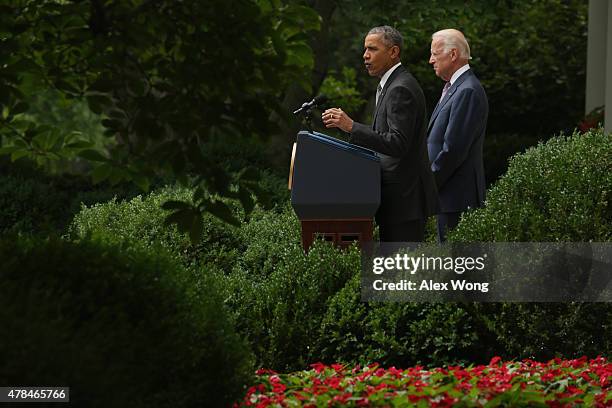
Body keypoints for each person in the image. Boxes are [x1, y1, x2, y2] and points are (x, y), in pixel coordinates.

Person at [322, 26, 438, 242]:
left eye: (372, 49)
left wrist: (351, 127)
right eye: (365, 49)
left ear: (393, 52)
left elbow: (397, 143)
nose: (365, 55)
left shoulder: (400, 88)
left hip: (404, 200)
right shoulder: (390, 85)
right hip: (397, 200)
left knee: (401, 271)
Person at [427, 29, 488, 242]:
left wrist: (428, 183)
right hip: (449, 198)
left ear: (453, 55)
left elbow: (453, 149)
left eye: (435, 54)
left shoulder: (467, 90)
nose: (430, 60)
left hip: (458, 200)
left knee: (457, 270)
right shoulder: (455, 88)